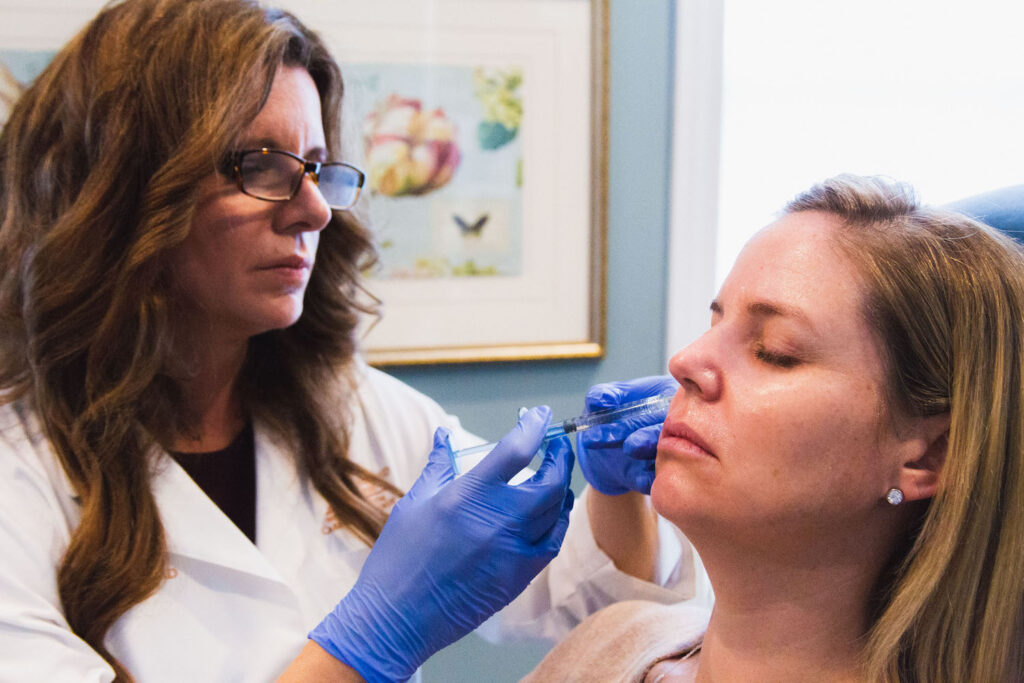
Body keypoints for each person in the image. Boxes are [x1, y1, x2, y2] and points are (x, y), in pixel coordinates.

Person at [0, 1, 700, 681]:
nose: (312, 210)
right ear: (123, 189)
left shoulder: (358, 411)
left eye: (314, 168)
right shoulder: (18, 473)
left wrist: (614, 492)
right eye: (261, 166)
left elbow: (583, 605)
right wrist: (376, 635)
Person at [518, 175, 1024, 681]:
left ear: (929, 455)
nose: (685, 361)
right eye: (714, 324)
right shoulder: (606, 644)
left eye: (774, 352)